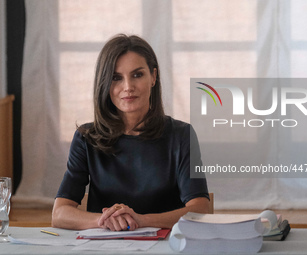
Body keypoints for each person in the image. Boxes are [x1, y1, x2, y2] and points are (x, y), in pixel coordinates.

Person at [52, 34, 209, 231]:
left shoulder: (182, 135)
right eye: (116, 78)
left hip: (166, 246)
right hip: (104, 247)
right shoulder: (86, 138)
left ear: (153, 77)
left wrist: (141, 220)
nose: (128, 87)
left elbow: (201, 209)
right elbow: (59, 214)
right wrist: (105, 220)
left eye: (137, 75)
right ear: (105, 84)